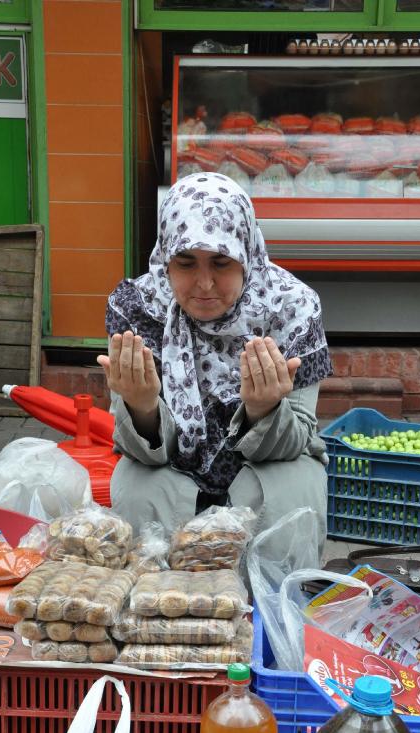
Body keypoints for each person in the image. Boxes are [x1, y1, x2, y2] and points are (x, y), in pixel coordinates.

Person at [98, 171, 332, 563]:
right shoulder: (138, 309)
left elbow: (301, 436)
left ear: (246, 257)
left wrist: (264, 411)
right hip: (171, 465)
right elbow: (137, 449)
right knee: (138, 487)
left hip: (265, 466)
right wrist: (141, 408)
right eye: (186, 263)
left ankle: (268, 611)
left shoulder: (293, 309)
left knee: (294, 488)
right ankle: (154, 605)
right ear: (165, 260)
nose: (204, 284)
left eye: (221, 263)